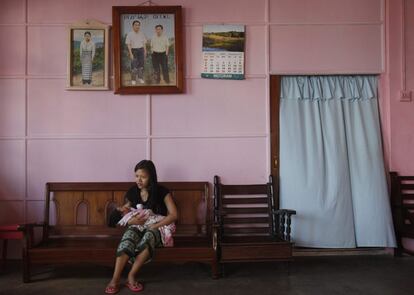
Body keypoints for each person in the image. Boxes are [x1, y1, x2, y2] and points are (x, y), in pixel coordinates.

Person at [105, 160, 178, 294]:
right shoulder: (133, 191)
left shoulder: (162, 191)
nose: (139, 180)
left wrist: (155, 226)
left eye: (143, 177)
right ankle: (114, 279)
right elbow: (126, 213)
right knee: (128, 238)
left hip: (158, 226)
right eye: (136, 176)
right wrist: (131, 220)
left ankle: (131, 276)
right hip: (139, 226)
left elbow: (173, 215)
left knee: (149, 237)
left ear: (151, 177)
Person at [125, 20, 147, 85]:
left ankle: (140, 78)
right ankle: (133, 79)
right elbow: (128, 44)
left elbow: (144, 43)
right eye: (136, 25)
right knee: (134, 66)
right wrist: (131, 53)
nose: (137, 26)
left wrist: (145, 52)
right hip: (133, 50)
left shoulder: (142, 33)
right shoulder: (130, 34)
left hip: (141, 50)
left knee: (141, 66)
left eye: (138, 25)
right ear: (133, 26)